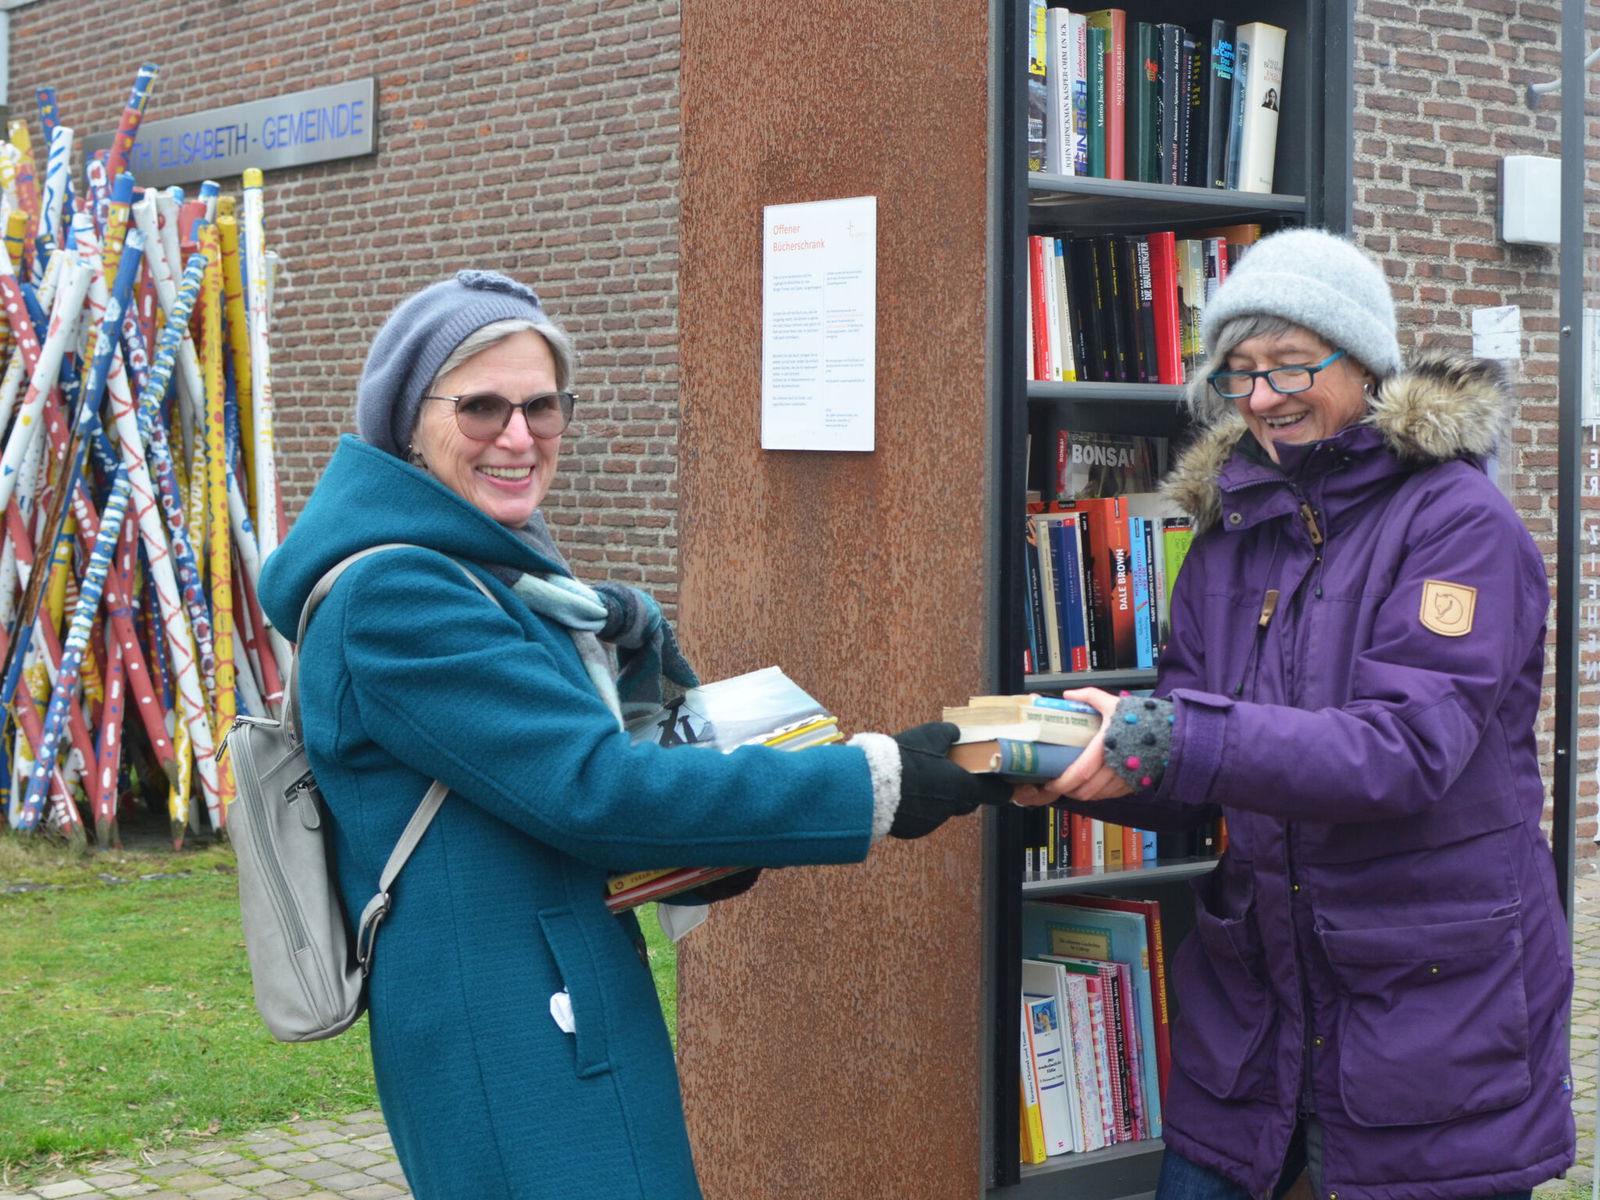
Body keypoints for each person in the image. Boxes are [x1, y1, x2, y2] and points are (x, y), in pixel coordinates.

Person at [255, 270, 1013, 1200]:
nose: (519, 436)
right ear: (408, 422)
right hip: (509, 1036)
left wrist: (703, 851)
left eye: (541, 406)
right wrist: (876, 783)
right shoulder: (399, 596)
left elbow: (533, 806)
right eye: (481, 406)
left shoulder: (485, 570)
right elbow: (594, 794)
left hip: (544, 1005)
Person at [1017, 228, 1575, 1200]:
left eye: (1288, 365)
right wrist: (1064, 762)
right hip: (1252, 1033)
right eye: (1239, 373)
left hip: (1429, 1031)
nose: (1264, 399)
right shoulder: (1232, 536)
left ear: (1364, 365)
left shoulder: (1458, 525)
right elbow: (1199, 759)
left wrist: (1172, 738)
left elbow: (1402, 750)